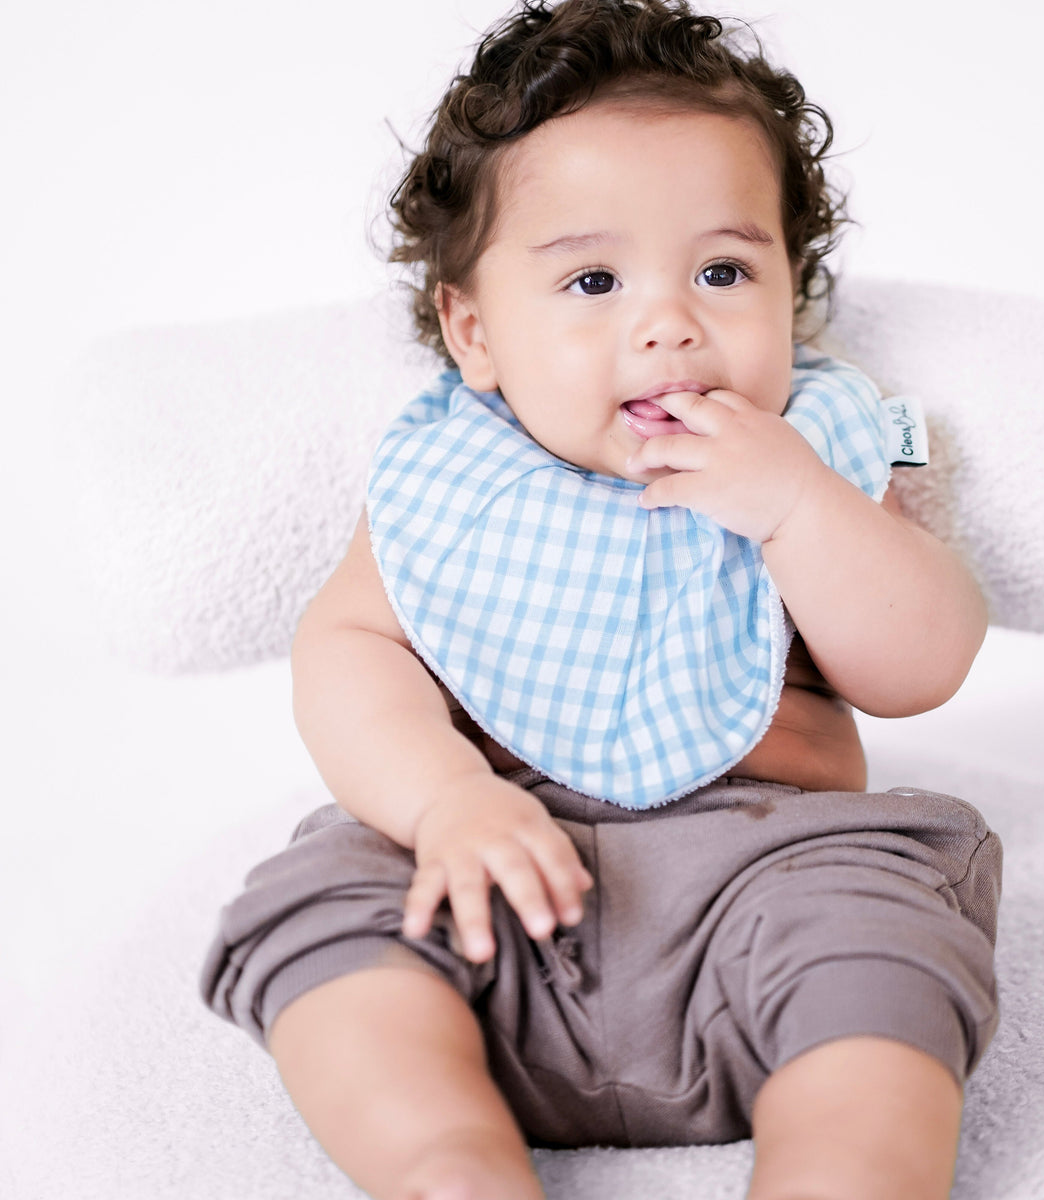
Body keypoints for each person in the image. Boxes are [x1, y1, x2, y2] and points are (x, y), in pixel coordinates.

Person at [201, 2, 1003, 1198]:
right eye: (591, 279)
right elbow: (349, 652)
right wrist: (446, 804)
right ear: (473, 332)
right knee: (328, 906)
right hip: (494, 892)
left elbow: (921, 663)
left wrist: (795, 509)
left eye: (724, 270)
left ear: (793, 295)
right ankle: (448, 1164)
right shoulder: (453, 479)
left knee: (880, 925)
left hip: (765, 889)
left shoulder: (824, 447)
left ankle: (842, 1173)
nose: (669, 322)